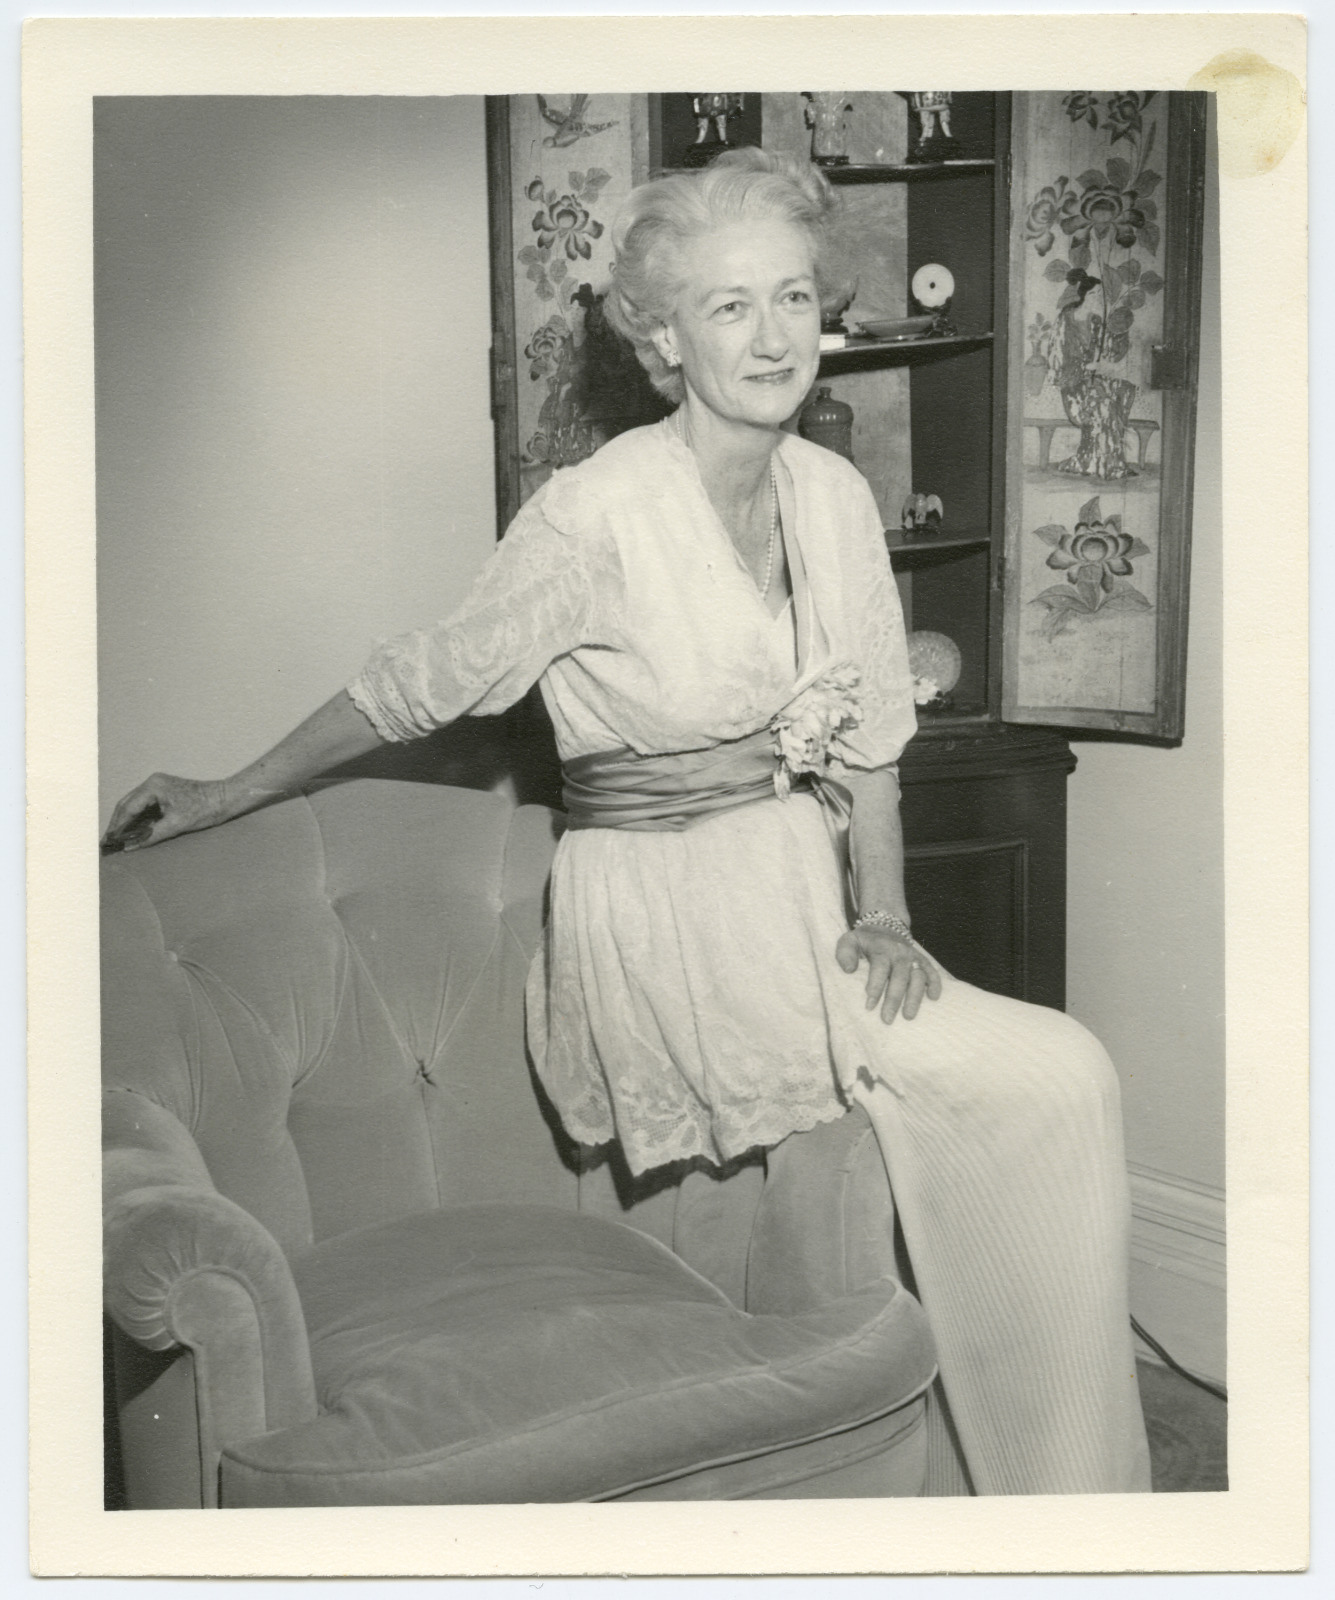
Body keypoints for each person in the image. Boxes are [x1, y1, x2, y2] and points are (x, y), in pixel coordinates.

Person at [102, 148, 1151, 1497]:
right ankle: (1014, 1486)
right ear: (662, 338)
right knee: (1040, 1082)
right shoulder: (592, 517)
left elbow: (873, 735)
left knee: (1055, 1083)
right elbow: (418, 680)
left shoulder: (832, 498)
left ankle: (1037, 1493)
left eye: (791, 298)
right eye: (728, 308)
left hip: (798, 899)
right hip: (656, 918)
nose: (774, 338)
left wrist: (883, 911)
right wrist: (230, 788)